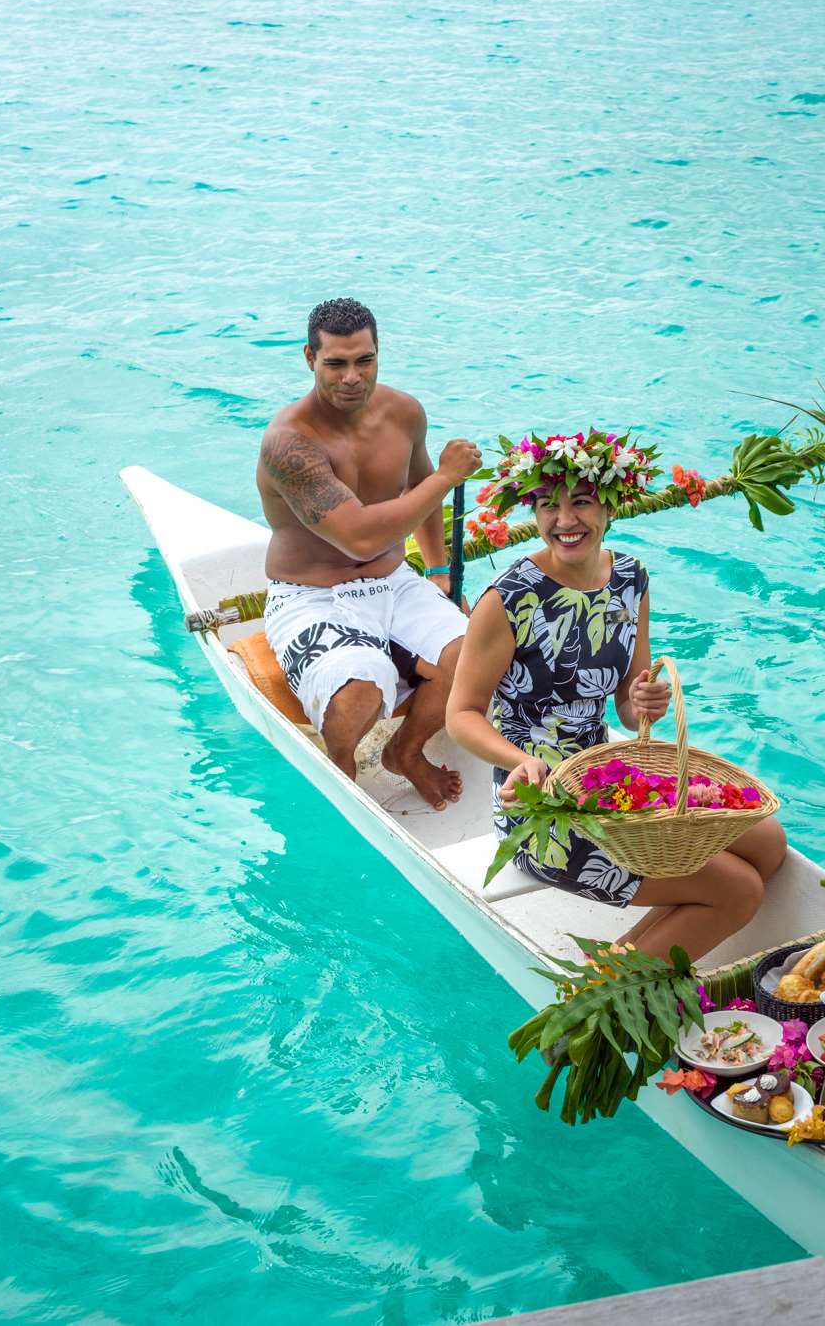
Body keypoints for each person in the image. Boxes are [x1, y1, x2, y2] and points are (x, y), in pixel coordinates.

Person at [447, 431, 785, 961]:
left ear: (609, 504)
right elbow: (461, 715)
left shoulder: (630, 576)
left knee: (768, 845)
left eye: (580, 502)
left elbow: (627, 700)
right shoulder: (508, 599)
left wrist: (643, 701)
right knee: (739, 890)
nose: (565, 520)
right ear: (532, 513)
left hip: (610, 773)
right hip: (541, 803)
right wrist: (525, 763)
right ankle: (598, 1003)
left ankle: (618, 962)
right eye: (547, 505)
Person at [256, 297, 480, 806]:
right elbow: (358, 535)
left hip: (394, 582)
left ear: (379, 354)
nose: (352, 376)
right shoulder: (288, 442)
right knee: (360, 684)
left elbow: (421, 493)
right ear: (310, 358)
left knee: (474, 654)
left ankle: (405, 750)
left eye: (364, 360)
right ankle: (341, 769)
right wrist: (449, 476)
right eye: (336, 362)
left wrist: (440, 572)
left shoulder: (404, 413)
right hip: (310, 595)